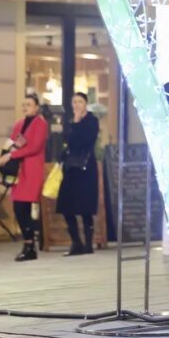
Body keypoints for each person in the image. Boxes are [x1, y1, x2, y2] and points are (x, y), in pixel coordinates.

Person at [0, 93, 49, 262]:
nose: (25, 107)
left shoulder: (41, 124)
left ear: (36, 107)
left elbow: (34, 147)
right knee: (19, 208)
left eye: (29, 104)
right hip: (18, 172)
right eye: (24, 104)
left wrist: (11, 156)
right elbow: (11, 143)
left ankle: (30, 246)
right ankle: (29, 245)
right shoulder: (19, 124)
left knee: (23, 206)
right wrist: (3, 155)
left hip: (31, 170)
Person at [57, 92, 100, 256]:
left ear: (86, 103)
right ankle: (76, 242)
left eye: (80, 101)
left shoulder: (92, 121)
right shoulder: (70, 122)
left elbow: (83, 142)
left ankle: (88, 244)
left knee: (85, 207)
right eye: (74, 102)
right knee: (66, 205)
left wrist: (77, 123)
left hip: (86, 168)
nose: (76, 105)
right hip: (70, 168)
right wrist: (74, 122)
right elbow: (67, 142)